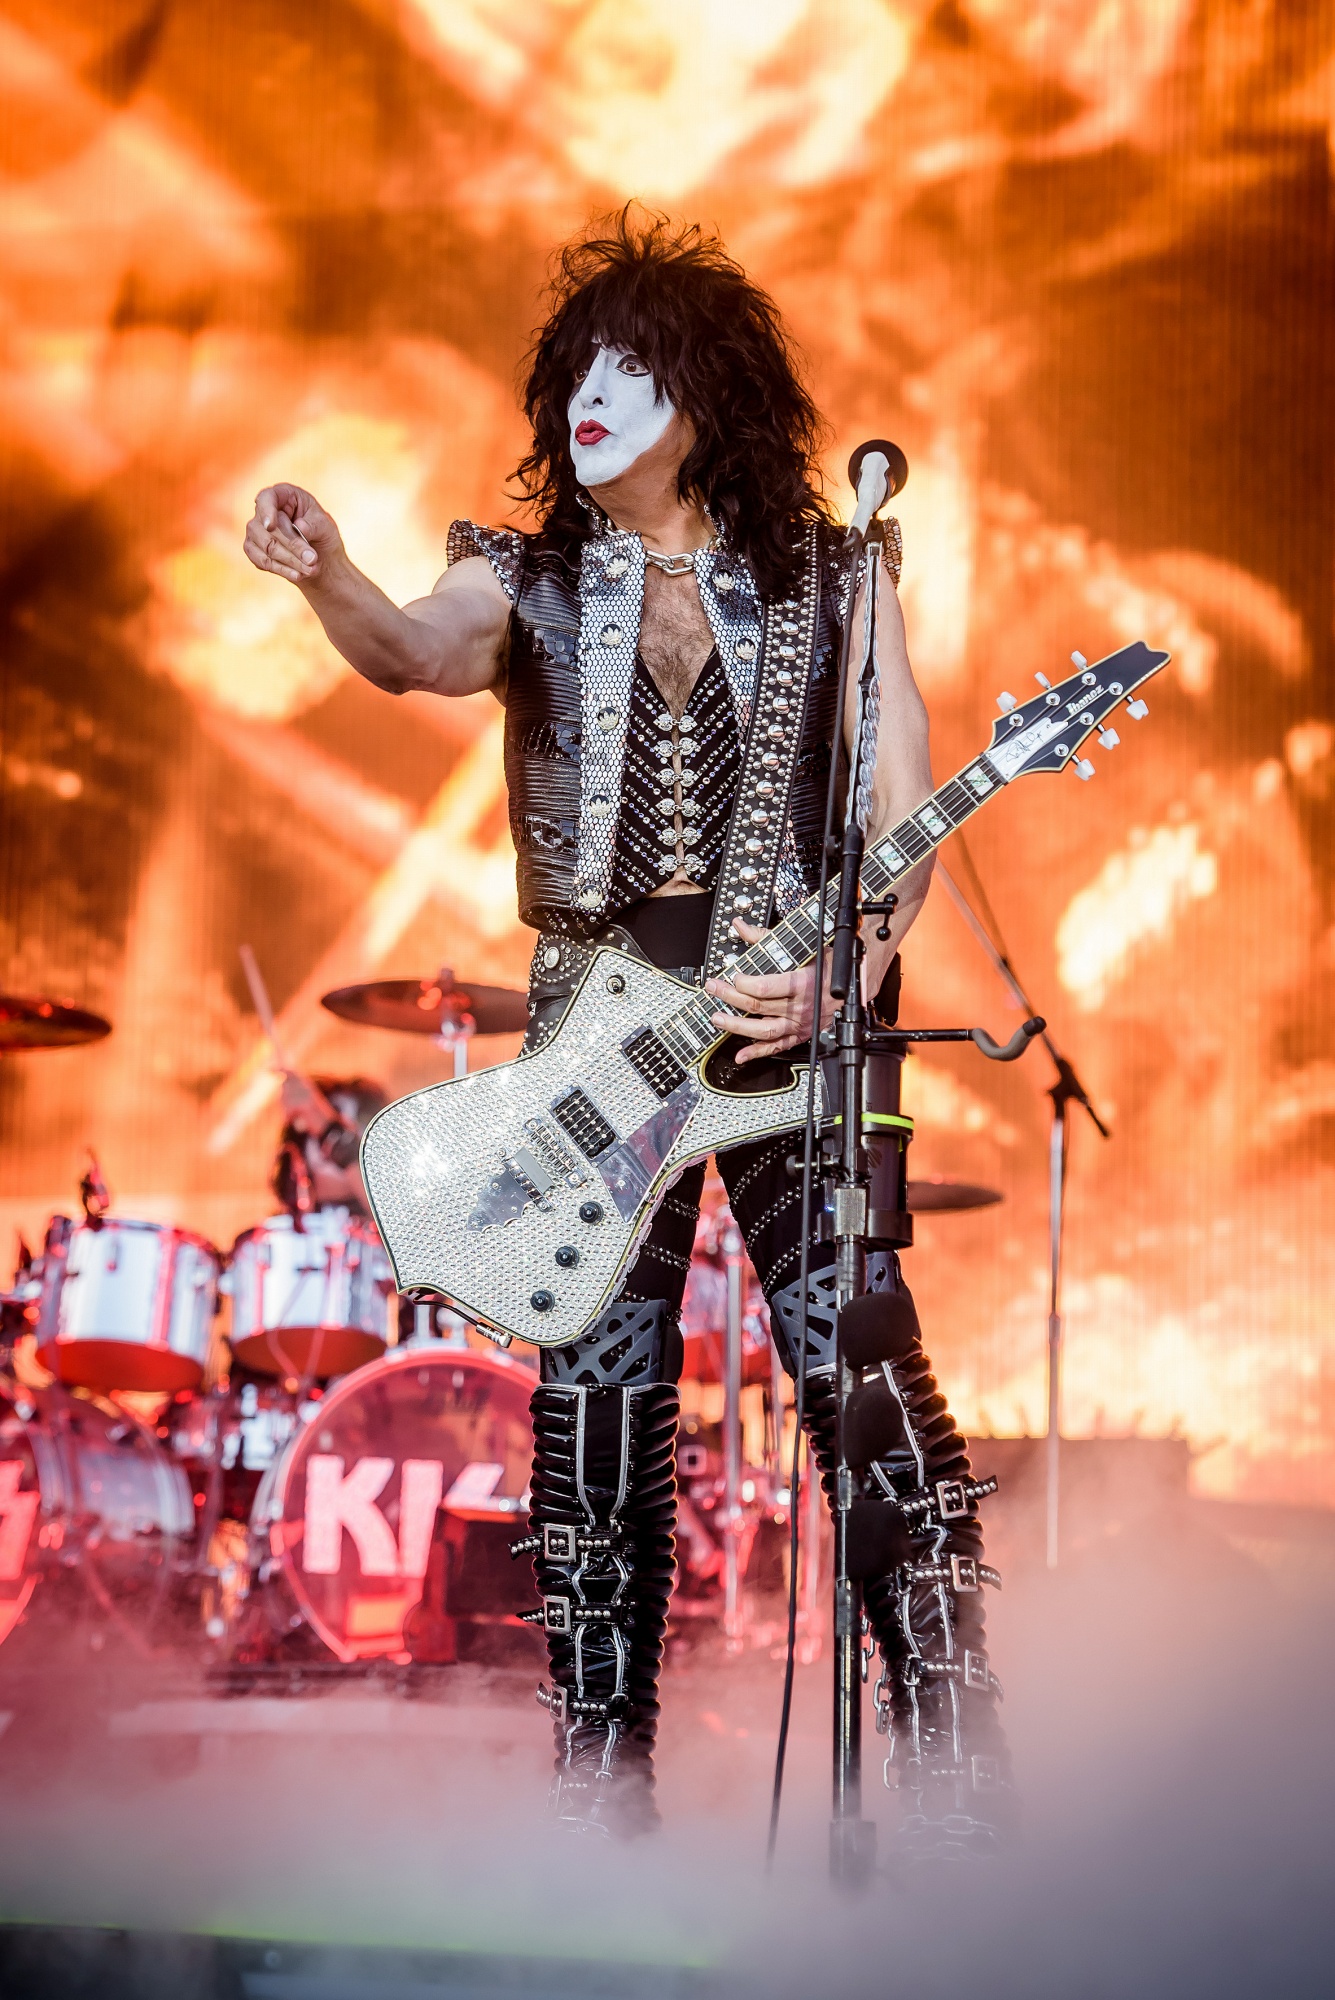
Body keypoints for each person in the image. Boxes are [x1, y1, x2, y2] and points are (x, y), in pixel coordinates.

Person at [242, 213, 1009, 1855]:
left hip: (793, 1022)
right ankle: (603, 1791)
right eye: (575, 367)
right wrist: (329, 575)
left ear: (707, 394)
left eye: (633, 365)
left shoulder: (837, 575)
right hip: (601, 1034)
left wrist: (848, 970)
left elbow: (903, 807)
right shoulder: (522, 575)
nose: (593, 392)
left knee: (863, 1376)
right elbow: (415, 653)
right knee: (595, 1407)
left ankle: (955, 1769)